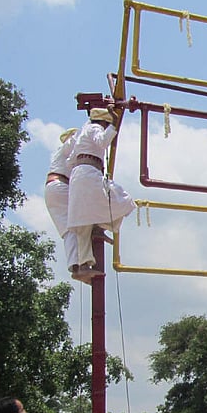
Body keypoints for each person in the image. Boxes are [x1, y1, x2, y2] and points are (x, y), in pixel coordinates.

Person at [66, 104, 135, 281]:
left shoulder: (82, 133)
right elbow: (103, 141)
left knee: (83, 221)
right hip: (88, 173)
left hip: (80, 174)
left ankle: (85, 260)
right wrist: (114, 124)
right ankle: (101, 227)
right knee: (122, 200)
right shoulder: (95, 128)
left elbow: (69, 161)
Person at [43, 126, 86, 282]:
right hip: (60, 186)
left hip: (53, 188)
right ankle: (81, 263)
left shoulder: (63, 157)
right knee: (79, 222)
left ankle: (75, 266)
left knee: (69, 230)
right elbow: (78, 138)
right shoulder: (66, 148)